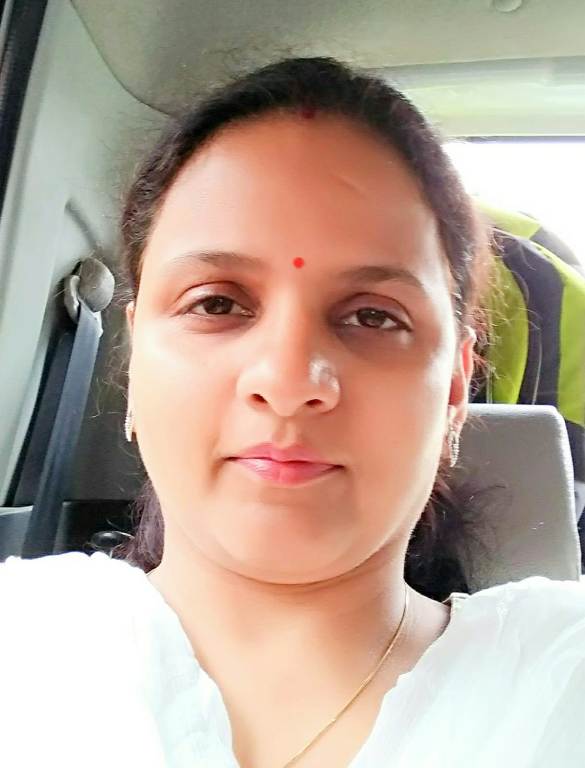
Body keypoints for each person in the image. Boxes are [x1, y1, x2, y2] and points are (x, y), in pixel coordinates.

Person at [1, 56, 585, 768]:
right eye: (216, 303)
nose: (287, 382)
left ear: (455, 392)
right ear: (134, 370)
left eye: (373, 316)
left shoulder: (564, 682)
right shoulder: (22, 646)